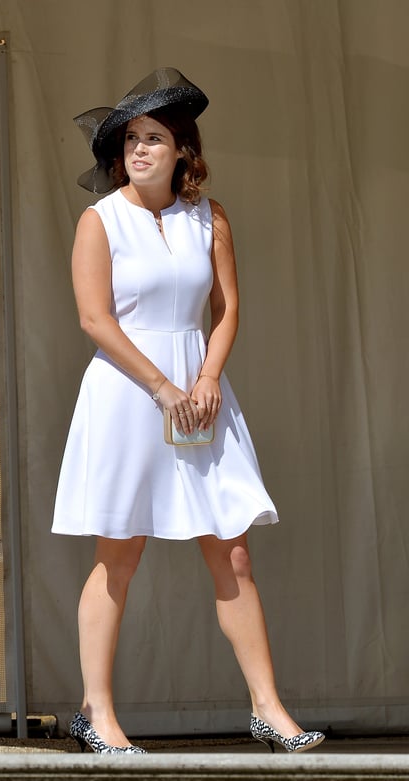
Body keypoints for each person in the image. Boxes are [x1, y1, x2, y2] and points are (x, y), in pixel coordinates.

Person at [51, 68, 324, 755]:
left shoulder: (210, 216)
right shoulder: (100, 219)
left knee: (232, 548)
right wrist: (161, 385)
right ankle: (98, 714)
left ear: (181, 149)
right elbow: (93, 317)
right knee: (119, 551)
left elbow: (227, 308)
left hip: (201, 398)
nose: (140, 149)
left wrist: (205, 375)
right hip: (127, 393)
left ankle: (269, 709)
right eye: (130, 140)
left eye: (154, 137)